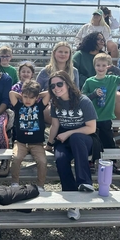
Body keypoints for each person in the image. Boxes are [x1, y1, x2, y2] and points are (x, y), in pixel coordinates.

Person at [45, 71, 99, 221]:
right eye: (53, 86)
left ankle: (85, 182)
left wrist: (69, 133)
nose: (56, 88)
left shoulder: (83, 101)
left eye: (60, 84)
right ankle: (72, 202)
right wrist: (49, 144)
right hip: (63, 139)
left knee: (75, 138)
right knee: (61, 159)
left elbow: (91, 128)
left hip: (85, 138)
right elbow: (55, 125)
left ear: (68, 84)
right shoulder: (55, 103)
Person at [82, 53, 120, 175]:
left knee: (109, 141)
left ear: (108, 66)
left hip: (106, 117)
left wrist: (115, 69)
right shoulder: (89, 81)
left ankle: (112, 163)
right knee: (92, 141)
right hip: (92, 118)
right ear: (94, 66)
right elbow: (82, 98)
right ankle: (90, 162)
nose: (101, 68)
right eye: (98, 65)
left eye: (104, 65)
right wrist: (93, 94)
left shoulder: (112, 79)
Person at [73, 32, 120, 142]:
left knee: (119, 96)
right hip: (85, 85)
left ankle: (115, 131)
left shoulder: (102, 56)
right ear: (91, 41)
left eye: (103, 40)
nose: (102, 42)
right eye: (99, 39)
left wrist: (107, 74)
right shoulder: (80, 55)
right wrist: (91, 80)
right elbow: (74, 72)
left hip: (103, 85)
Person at [9, 80, 50, 191]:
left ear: (36, 98)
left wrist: (37, 96)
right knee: (16, 159)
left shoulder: (39, 106)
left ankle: (40, 185)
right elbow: (11, 93)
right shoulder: (18, 106)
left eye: (31, 98)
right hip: (21, 142)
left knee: (42, 161)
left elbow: (49, 93)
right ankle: (14, 183)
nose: (28, 100)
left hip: (37, 144)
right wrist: (23, 96)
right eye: (25, 96)